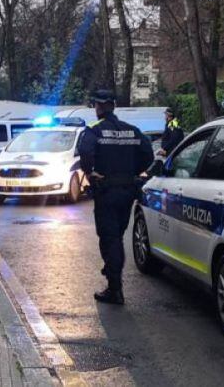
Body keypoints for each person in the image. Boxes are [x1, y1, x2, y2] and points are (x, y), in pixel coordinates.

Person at [76, 88, 154, 305]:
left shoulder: (94, 130)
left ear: (98, 107)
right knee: (118, 235)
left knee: (110, 239)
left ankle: (115, 288)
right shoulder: (133, 130)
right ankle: (113, 278)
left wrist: (90, 172)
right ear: (114, 106)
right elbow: (148, 155)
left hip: (106, 191)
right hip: (128, 191)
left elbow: (85, 153)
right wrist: (133, 171)